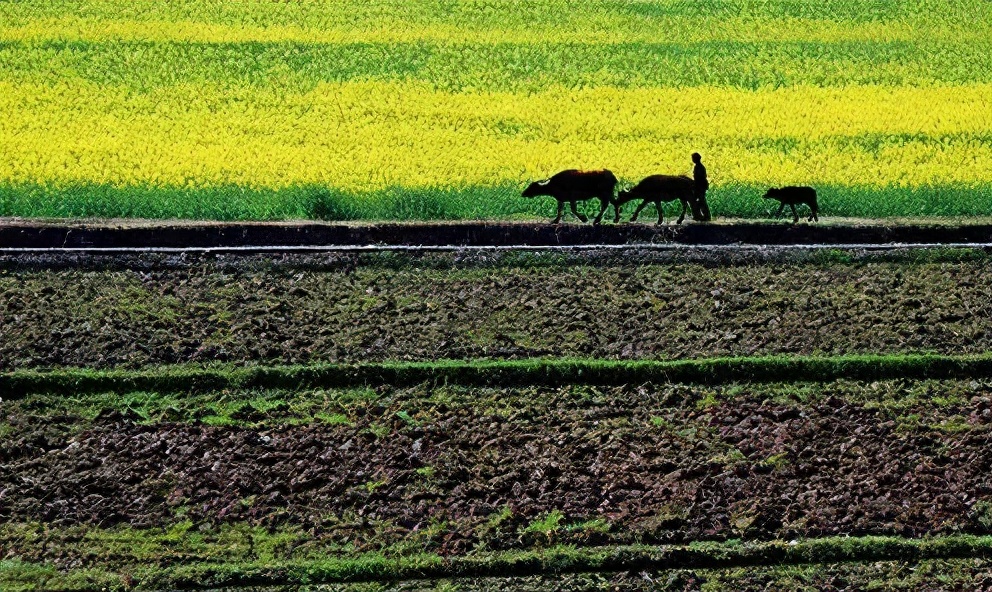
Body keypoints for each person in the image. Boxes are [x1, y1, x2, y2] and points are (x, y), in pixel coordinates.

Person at [691, 152, 711, 221]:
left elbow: (699, 178)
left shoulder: (699, 167)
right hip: (700, 186)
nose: (692, 160)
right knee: (699, 201)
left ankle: (705, 216)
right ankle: (701, 215)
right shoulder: (699, 166)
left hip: (700, 186)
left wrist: (695, 184)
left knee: (701, 201)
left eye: (693, 158)